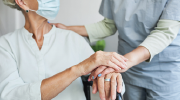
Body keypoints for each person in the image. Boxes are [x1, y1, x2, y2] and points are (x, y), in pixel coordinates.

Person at [52, 0, 180, 100]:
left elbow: (164, 32)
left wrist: (122, 62)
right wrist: (67, 29)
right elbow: (108, 26)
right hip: (129, 70)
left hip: (163, 70)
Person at [0, 0, 126, 100]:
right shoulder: (6, 45)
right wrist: (77, 70)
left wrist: (110, 76)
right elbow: (11, 95)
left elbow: (105, 76)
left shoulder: (72, 39)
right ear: (22, 2)